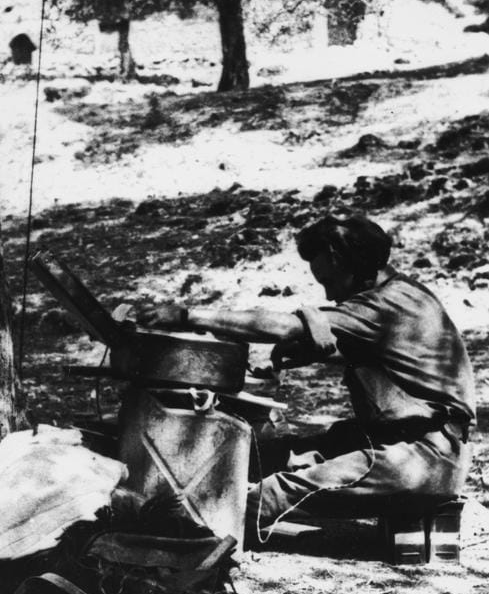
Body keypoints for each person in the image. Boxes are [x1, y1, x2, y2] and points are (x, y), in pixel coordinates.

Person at [136, 213, 476, 533]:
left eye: (330, 281)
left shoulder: (384, 305)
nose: (329, 294)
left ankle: (178, 529)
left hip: (423, 459)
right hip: (415, 445)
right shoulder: (404, 294)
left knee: (271, 494)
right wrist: (307, 353)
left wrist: (187, 316)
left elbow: (284, 325)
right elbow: (383, 356)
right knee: (279, 455)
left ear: (347, 263)